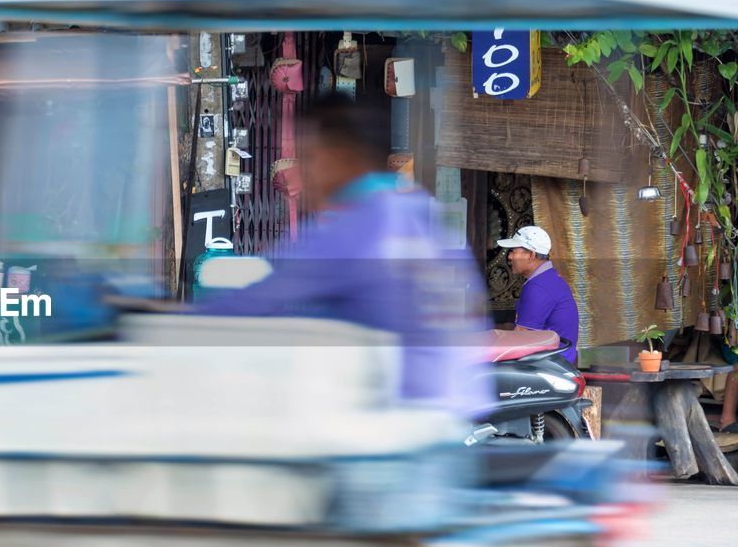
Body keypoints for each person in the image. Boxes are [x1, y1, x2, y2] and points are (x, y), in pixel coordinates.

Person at [198, 94, 491, 418]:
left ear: (343, 157)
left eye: (309, 158)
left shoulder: (357, 227)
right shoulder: (420, 211)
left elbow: (254, 301)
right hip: (452, 419)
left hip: (395, 432)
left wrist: (158, 324)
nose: (301, 172)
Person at [497, 226, 580, 364]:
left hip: (549, 364)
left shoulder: (538, 286)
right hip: (557, 360)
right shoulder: (548, 278)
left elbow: (522, 335)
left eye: (513, 251)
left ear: (531, 255)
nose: (510, 257)